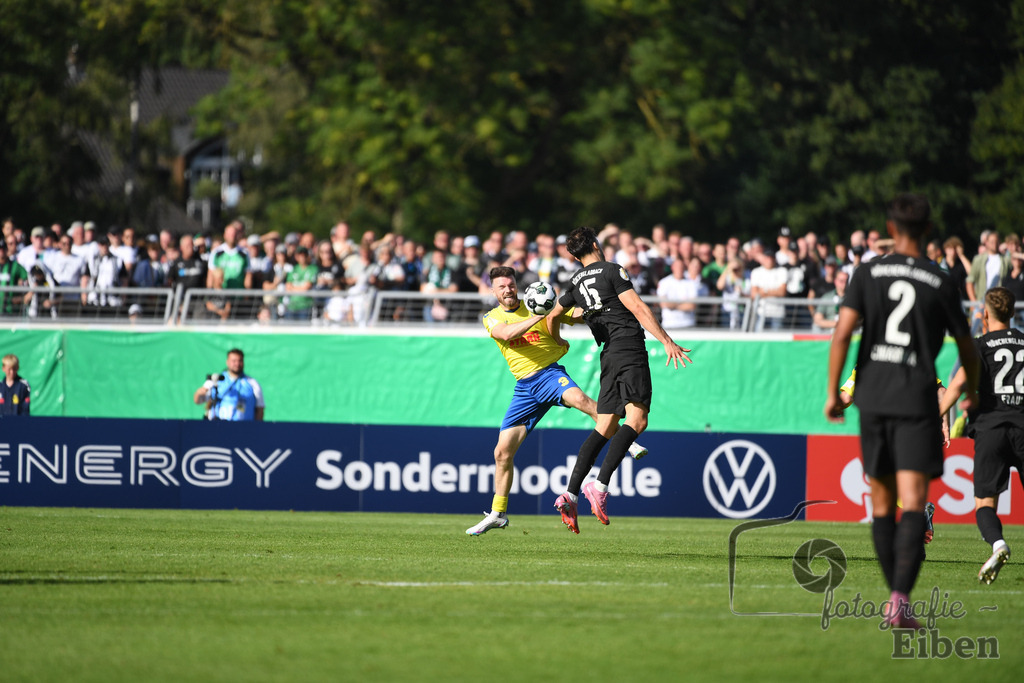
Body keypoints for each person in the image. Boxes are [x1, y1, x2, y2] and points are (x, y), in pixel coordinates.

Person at [825, 193, 980, 629]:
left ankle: (894, 593)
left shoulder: (867, 271)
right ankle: (899, 599)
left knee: (881, 502)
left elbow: (841, 336)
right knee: (914, 502)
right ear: (928, 232)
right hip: (916, 398)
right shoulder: (941, 278)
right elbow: (966, 345)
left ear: (890, 230)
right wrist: (972, 393)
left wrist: (833, 394)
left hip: (873, 396)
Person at [466, 266, 649, 536]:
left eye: (511, 284)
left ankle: (626, 439)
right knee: (502, 453)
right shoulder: (492, 317)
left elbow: (572, 314)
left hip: (549, 374)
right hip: (524, 388)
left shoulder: (539, 304)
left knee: (582, 401)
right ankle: (498, 513)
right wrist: (540, 313)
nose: (508, 289)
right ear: (492, 291)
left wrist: (586, 312)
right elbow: (506, 334)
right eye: (501, 286)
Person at [547, 226, 692, 533]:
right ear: (596, 245)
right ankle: (599, 486)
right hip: (628, 346)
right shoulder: (613, 270)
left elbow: (553, 316)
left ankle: (571, 493)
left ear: (574, 256)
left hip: (608, 355)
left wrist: (560, 341)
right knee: (637, 421)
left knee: (605, 425)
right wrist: (666, 340)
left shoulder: (574, 283)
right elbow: (637, 307)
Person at [939, 287, 1024, 584]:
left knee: (985, 504)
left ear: (985, 313)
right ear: (1013, 312)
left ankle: (998, 545)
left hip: (991, 430)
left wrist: (937, 417)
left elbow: (957, 386)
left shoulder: (980, 345)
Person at [192, 348, 264, 421]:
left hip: (243, 429)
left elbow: (260, 409)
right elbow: (197, 400)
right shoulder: (216, 380)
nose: (237, 364)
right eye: (234, 361)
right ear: (227, 362)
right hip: (218, 427)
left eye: (240, 361)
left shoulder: (252, 383)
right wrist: (200, 392)